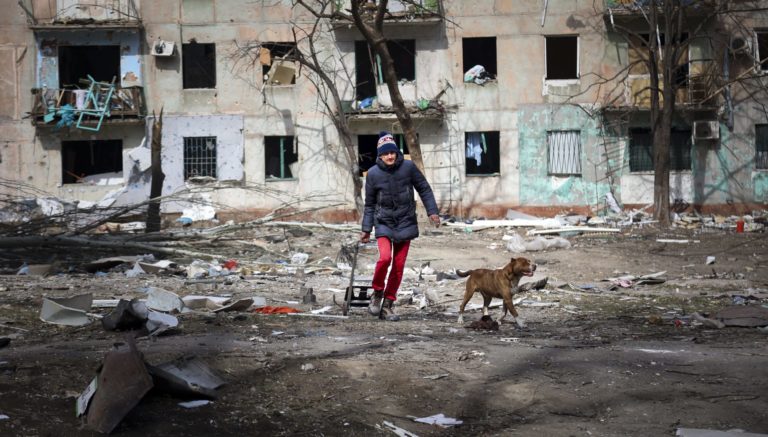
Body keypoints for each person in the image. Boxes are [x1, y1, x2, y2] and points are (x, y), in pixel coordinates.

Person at [360, 131, 440, 321]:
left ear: (397, 152)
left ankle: (388, 305)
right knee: (385, 258)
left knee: (398, 266)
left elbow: (424, 189)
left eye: (392, 152)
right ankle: (377, 292)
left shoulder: (408, 167)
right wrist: (366, 229)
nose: (389, 156)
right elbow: (370, 204)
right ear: (380, 155)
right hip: (384, 223)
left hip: (405, 222)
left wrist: (432, 212)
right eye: (385, 153)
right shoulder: (372, 174)